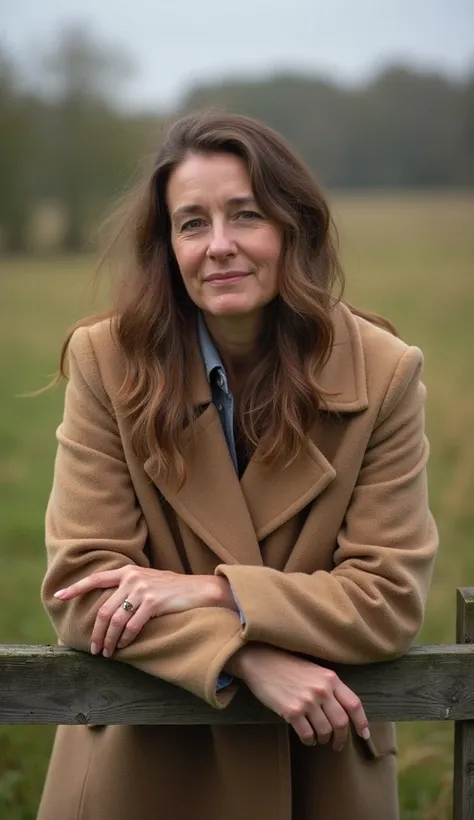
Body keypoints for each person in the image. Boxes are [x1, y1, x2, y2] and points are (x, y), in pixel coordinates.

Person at [37, 110, 438, 820]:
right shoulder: (109, 364)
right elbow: (83, 589)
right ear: (168, 246)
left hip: (320, 770)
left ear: (293, 229)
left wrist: (212, 592)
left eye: (246, 215)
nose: (219, 246)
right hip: (144, 767)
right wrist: (245, 657)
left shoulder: (384, 374)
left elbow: (386, 599)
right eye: (192, 223)